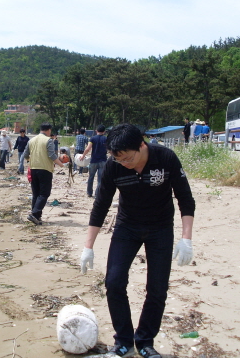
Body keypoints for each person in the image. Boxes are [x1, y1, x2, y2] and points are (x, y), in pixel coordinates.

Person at [80, 123, 195, 358]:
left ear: (142, 145)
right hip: (127, 227)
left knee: (157, 289)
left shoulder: (165, 158)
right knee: (113, 282)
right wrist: (88, 246)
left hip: (160, 229)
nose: (124, 163)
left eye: (127, 158)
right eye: (118, 159)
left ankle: (145, 341)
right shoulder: (114, 165)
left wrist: (186, 239)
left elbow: (185, 197)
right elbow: (101, 204)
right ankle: (124, 341)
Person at [23, 123, 66, 225]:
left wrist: (31, 160)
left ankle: (37, 217)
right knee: (44, 193)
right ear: (49, 130)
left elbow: (25, 155)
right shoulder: (48, 140)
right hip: (45, 170)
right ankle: (34, 214)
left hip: (33, 169)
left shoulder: (31, 140)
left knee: (36, 194)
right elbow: (52, 155)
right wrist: (62, 165)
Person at [81, 125, 107, 198]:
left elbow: (88, 149)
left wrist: (83, 156)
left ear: (96, 131)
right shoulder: (106, 139)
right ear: (104, 132)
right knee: (100, 179)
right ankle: (97, 194)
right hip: (103, 160)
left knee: (91, 177)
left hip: (93, 160)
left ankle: (89, 192)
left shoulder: (92, 138)